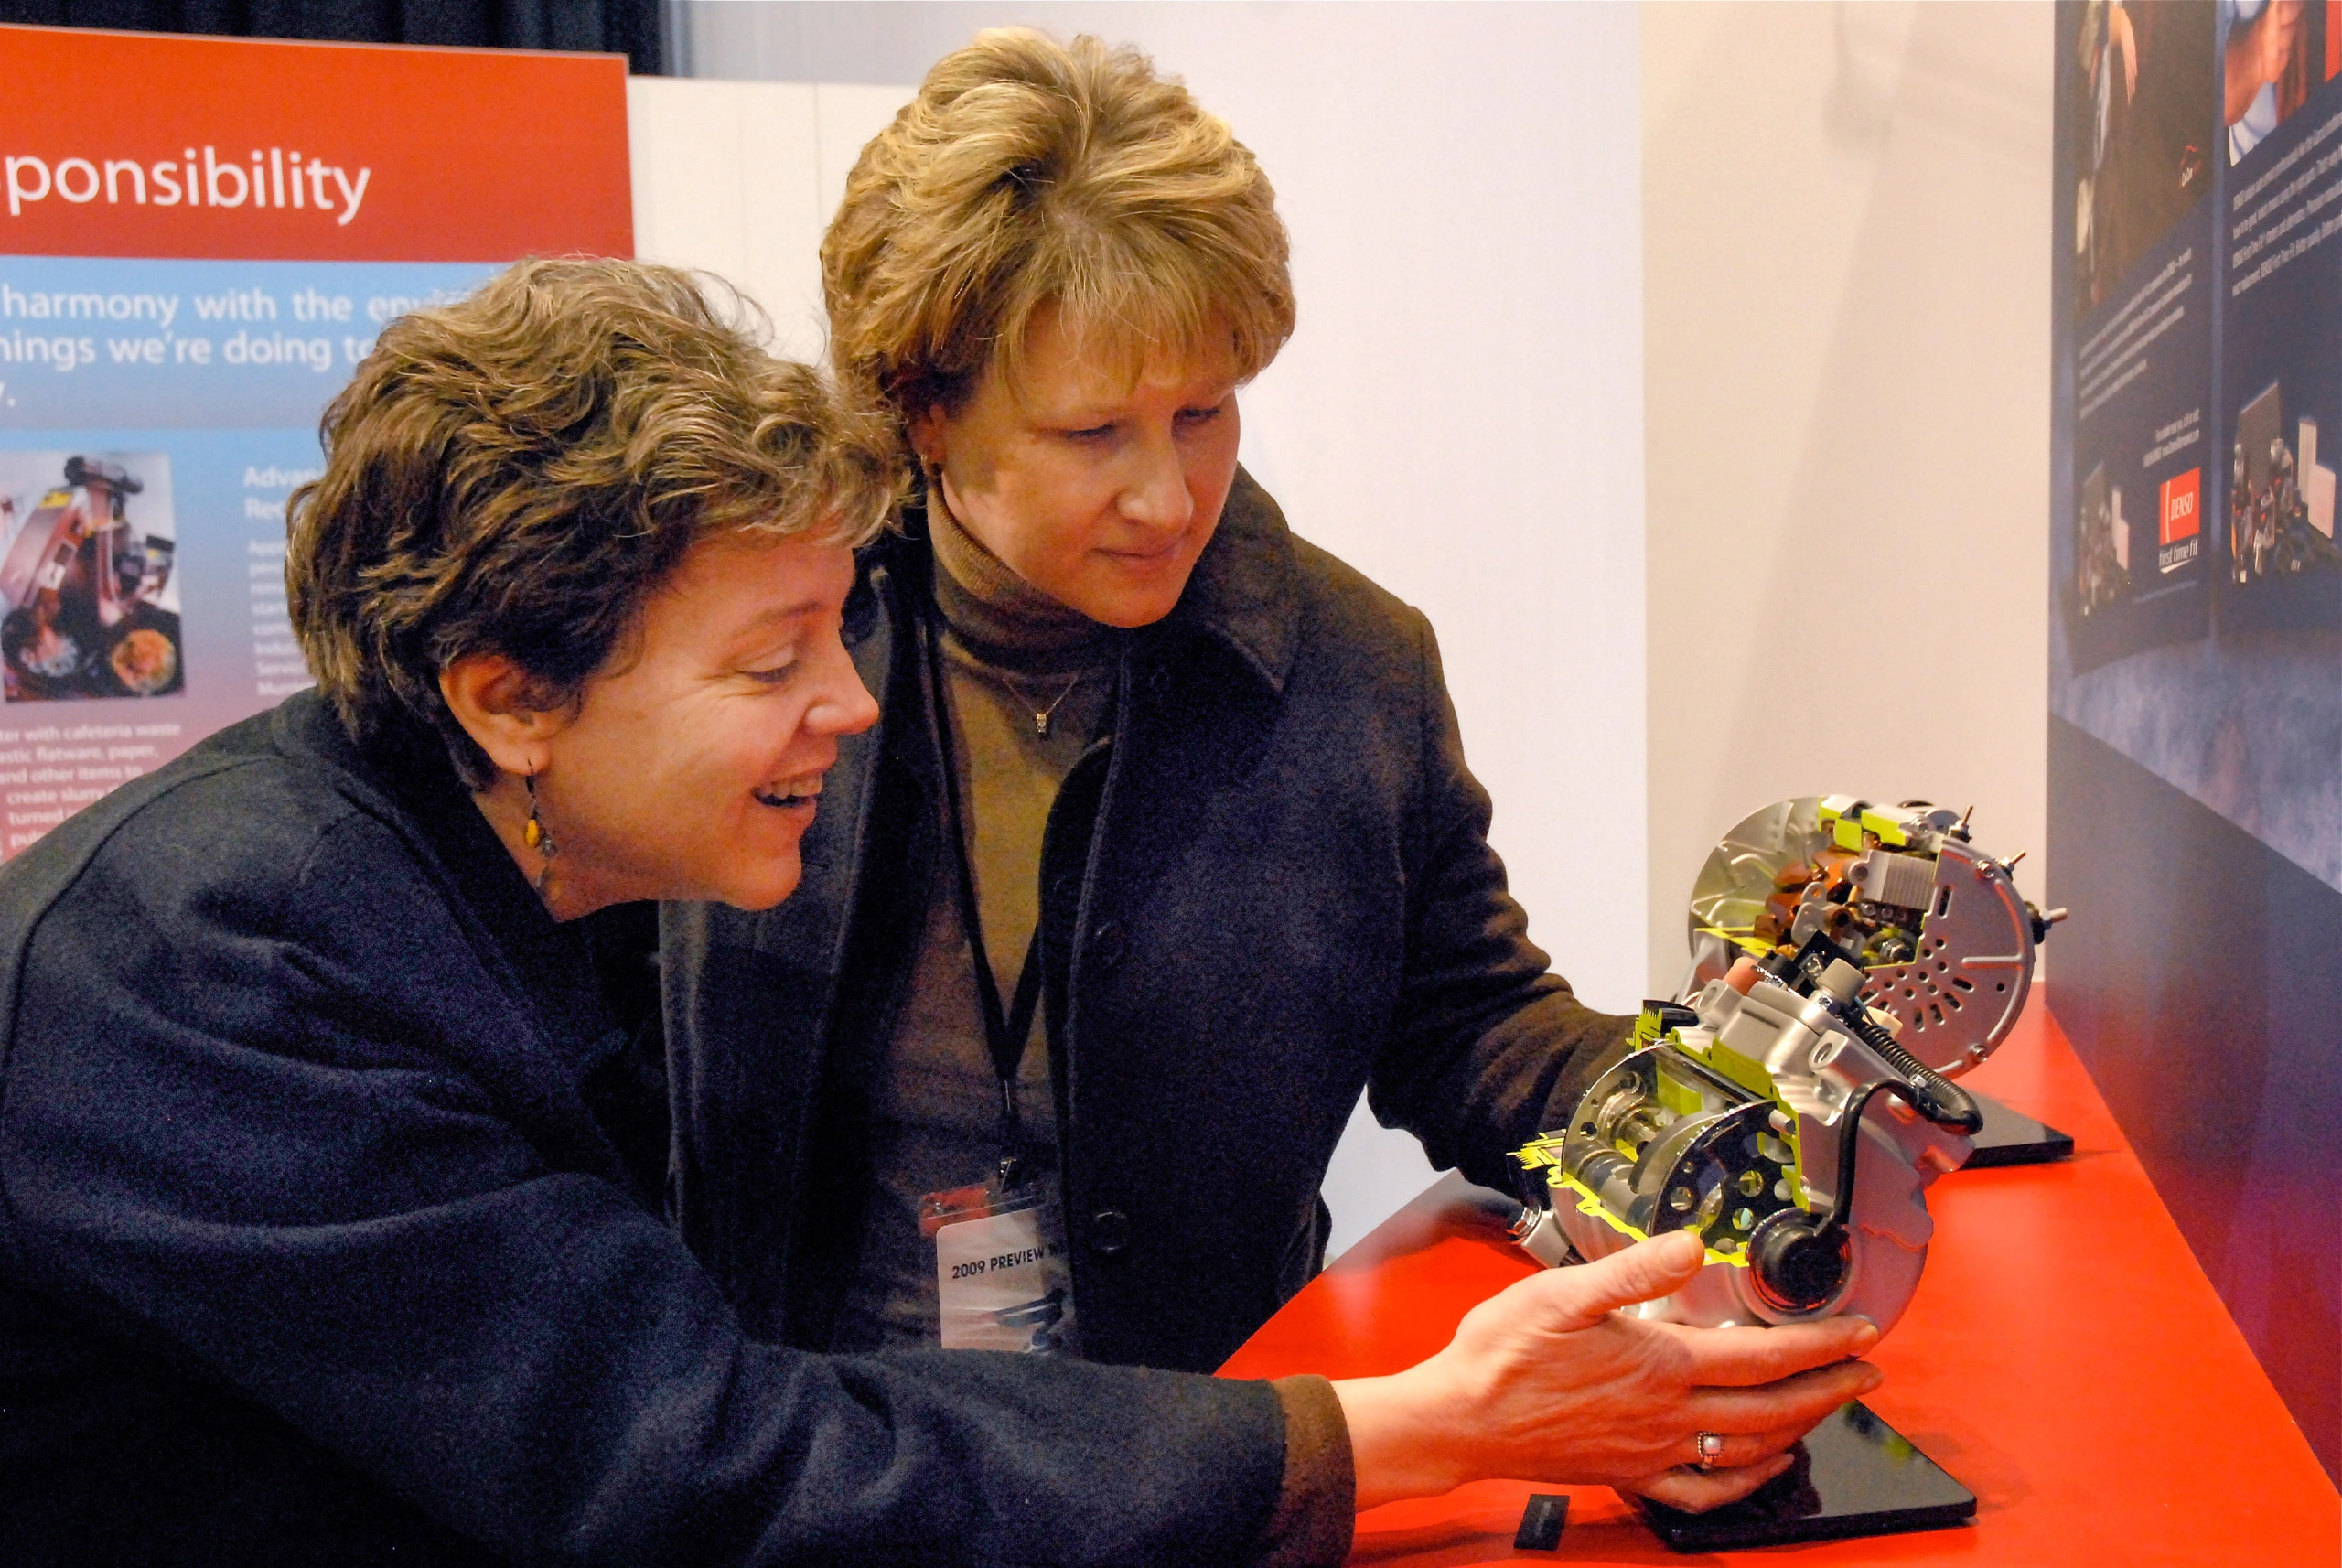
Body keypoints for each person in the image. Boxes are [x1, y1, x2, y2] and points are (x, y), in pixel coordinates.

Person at [0, 256, 1868, 1566]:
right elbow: (689, 1462)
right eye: (770, 661)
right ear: (509, 695)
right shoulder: (216, 974)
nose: (849, 701)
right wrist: (1406, 1429)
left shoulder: (457, 846)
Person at [660, 29, 1882, 1558]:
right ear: (924, 409)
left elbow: (1473, 1026)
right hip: (819, 1473)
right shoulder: (769, 641)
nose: (1169, 495)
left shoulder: (1352, 666)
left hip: (1215, 1468)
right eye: (1093, 433)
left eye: (1206, 412)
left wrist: (1722, 1121)